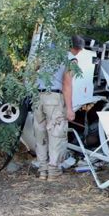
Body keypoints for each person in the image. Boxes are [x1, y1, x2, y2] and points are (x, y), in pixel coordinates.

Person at [33, 35, 84, 181]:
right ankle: (53, 171)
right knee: (56, 134)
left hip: (37, 97)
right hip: (54, 99)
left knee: (40, 133)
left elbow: (33, 71)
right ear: (76, 48)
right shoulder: (71, 59)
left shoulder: (47, 54)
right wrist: (69, 109)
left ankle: (42, 171)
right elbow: (67, 84)